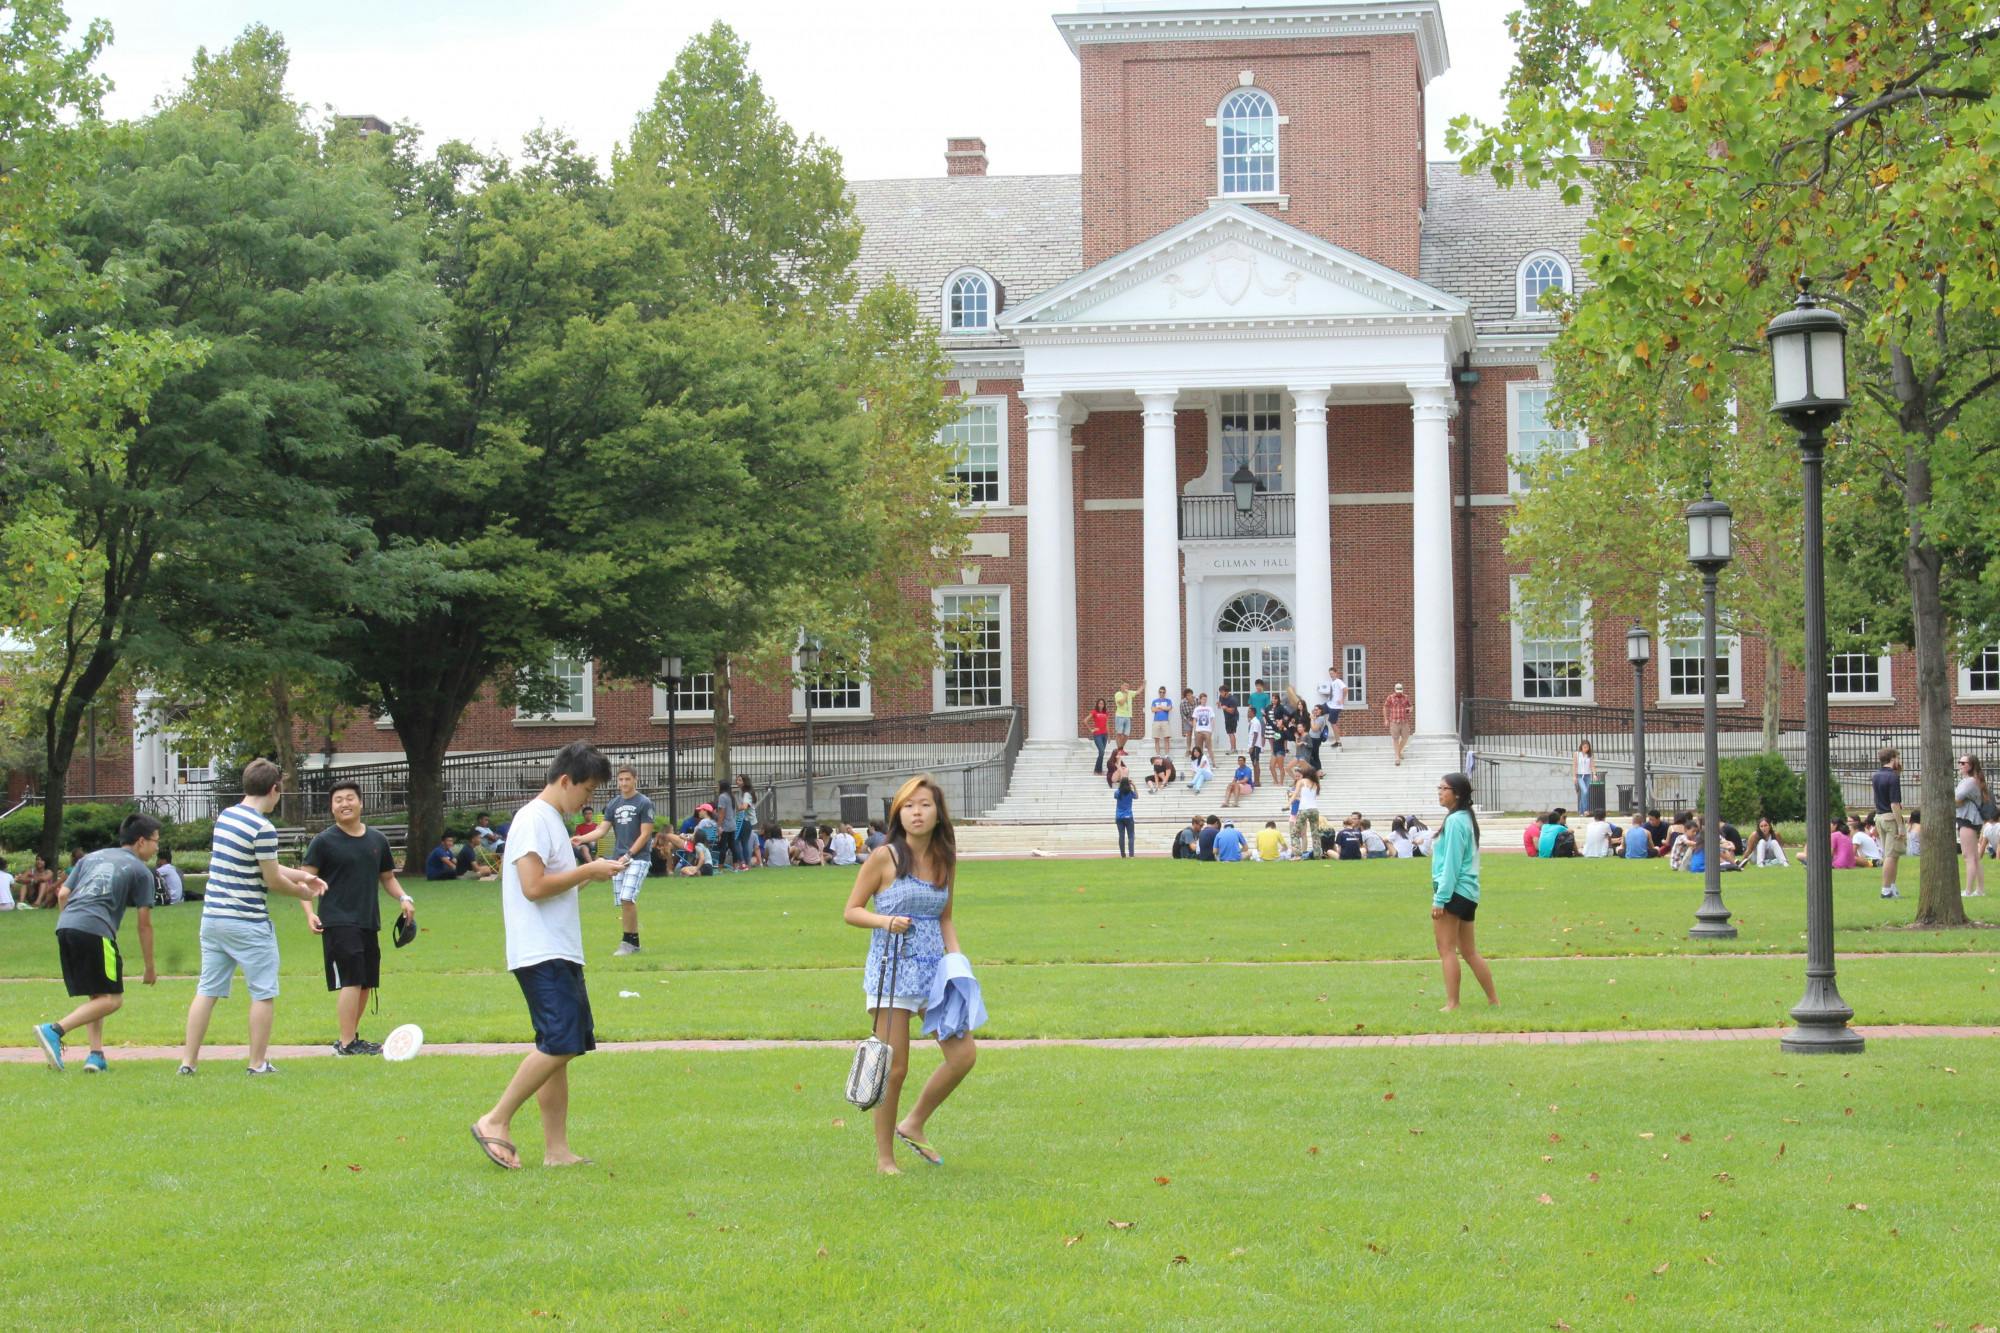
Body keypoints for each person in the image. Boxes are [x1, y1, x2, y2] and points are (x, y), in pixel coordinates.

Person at [470, 742, 624, 1170]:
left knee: (561, 1046)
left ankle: (556, 1151)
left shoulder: (552, 821)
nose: (588, 801)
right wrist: (588, 870)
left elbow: (556, 884)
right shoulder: (534, 818)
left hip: (557, 947)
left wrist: (594, 873)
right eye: (587, 790)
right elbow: (533, 887)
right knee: (561, 1041)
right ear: (564, 780)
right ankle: (495, 1120)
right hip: (541, 951)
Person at [841, 774, 976, 1173]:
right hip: (892, 972)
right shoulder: (884, 857)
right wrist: (884, 921)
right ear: (899, 812)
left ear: (938, 814)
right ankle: (885, 1159)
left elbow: (946, 918)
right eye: (909, 805)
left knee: (963, 1056)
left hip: (935, 972)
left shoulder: (945, 858)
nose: (917, 812)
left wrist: (958, 965)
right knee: (894, 1067)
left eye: (925, 805)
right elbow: (851, 911)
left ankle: (913, 1122)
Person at [180, 758, 328, 1076]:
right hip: (247, 921)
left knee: (207, 990)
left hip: (213, 919)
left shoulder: (226, 817)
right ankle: (257, 1063)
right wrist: (304, 893)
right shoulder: (263, 828)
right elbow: (272, 880)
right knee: (263, 992)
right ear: (274, 789)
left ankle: (188, 1063)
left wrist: (304, 876)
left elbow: (264, 866)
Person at [31, 814, 162, 1072]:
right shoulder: (141, 872)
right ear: (140, 841)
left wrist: (73, 922)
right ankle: (54, 1030)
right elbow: (144, 923)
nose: (157, 847)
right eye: (156, 841)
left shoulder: (91, 858)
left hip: (66, 926)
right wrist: (149, 966)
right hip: (95, 931)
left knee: (97, 994)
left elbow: (64, 894)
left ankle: (96, 1056)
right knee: (113, 1000)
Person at [301, 780, 414, 1056]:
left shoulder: (377, 840)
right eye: (338, 800)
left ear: (361, 803)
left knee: (365, 982)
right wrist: (309, 912)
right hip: (337, 919)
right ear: (331, 807)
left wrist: (403, 898)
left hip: (367, 920)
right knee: (351, 980)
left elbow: (387, 878)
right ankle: (347, 1043)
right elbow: (304, 880)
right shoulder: (324, 841)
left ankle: (350, 1039)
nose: (344, 804)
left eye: (350, 798)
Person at [1431, 772, 1498, 1012]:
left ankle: (1453, 1003)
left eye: (1444, 788)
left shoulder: (1456, 821)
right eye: (1438, 788)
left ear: (1457, 794)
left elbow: (1451, 864)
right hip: (1468, 892)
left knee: (1446, 949)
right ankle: (1493, 1001)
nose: (1439, 792)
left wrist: (1440, 899)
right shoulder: (1465, 819)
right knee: (1469, 951)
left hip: (1454, 892)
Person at [588, 766, 658, 957]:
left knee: (627, 897)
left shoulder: (644, 803)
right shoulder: (613, 804)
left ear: (635, 779)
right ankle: (633, 942)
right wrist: (581, 839)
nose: (624, 783)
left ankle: (627, 943)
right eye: (621, 780)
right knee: (623, 901)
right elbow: (601, 830)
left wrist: (629, 854)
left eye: (628, 779)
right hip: (619, 857)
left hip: (638, 858)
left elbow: (646, 834)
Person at [1874, 747, 1906, 899]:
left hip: (1879, 817)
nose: (1899, 761)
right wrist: (1900, 825)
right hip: (1890, 819)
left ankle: (1892, 886)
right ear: (1893, 759)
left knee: (1893, 854)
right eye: (1897, 758)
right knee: (1891, 855)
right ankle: (1886, 889)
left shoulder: (1876, 776)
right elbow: (1894, 803)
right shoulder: (1893, 777)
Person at [1956, 754, 1988, 897]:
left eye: (1963, 763)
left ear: (1971, 765)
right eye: (1960, 762)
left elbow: (1956, 798)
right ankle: (1980, 889)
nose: (1960, 765)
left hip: (1968, 819)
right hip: (1973, 819)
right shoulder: (1973, 780)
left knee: (1968, 856)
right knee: (1974, 856)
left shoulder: (1969, 782)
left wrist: (1959, 801)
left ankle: (1968, 890)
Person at [1290, 767, 1323, 859]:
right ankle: (1317, 855)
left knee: (1294, 832)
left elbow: (1295, 793)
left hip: (1304, 809)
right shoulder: (1316, 783)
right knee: (1315, 833)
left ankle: (1297, 854)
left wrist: (1288, 803)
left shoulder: (1302, 781)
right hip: (1314, 809)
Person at [1384, 683, 1414, 766]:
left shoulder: (1406, 697)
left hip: (1404, 721)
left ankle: (1399, 751)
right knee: (1395, 739)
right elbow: (1385, 707)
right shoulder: (1390, 697)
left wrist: (1410, 709)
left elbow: (1411, 706)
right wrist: (1386, 719)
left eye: (1400, 691)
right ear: (1395, 690)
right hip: (1394, 721)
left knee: (1406, 737)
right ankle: (1397, 757)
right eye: (1397, 691)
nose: (1399, 693)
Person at [733, 775, 759, 871]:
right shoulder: (743, 793)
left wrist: (737, 809)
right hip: (746, 821)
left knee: (736, 840)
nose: (737, 781)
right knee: (744, 842)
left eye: (740, 780)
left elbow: (744, 806)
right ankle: (746, 864)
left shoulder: (746, 794)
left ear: (745, 782)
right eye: (737, 780)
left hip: (746, 820)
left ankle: (743, 863)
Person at [1325, 668, 1348, 749]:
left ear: (1336, 673)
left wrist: (1342, 699)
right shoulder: (1332, 682)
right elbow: (1334, 693)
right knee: (1318, 709)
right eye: (1330, 673)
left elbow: (1345, 689)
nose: (1331, 675)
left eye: (1332, 673)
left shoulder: (1338, 681)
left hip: (1336, 707)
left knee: (1333, 723)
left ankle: (1338, 741)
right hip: (1330, 704)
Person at [1086, 698, 1111, 774]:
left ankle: (1099, 770)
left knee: (1101, 753)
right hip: (1097, 735)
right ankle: (1097, 770)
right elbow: (1085, 720)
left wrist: (1109, 735)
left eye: (1102, 704)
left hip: (1105, 735)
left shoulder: (1106, 713)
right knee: (1102, 751)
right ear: (1097, 704)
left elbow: (1107, 724)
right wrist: (1091, 730)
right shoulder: (1094, 712)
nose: (1101, 705)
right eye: (1100, 703)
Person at [1149, 687, 1175, 757]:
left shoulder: (1168, 700)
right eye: (1160, 692)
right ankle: (1158, 754)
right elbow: (1153, 710)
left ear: (1165, 693)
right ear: (1158, 692)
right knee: (1156, 738)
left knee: (1166, 738)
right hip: (1156, 721)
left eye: (1163, 692)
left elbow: (1169, 708)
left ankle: (1166, 755)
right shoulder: (1155, 701)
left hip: (1165, 721)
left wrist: (1159, 707)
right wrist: (1163, 708)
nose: (1162, 693)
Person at [1573, 740, 1595, 814]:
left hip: (1587, 776)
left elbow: (1592, 765)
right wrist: (1574, 776)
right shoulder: (1576, 754)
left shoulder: (1590, 755)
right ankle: (1586, 810)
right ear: (1581, 747)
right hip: (1579, 776)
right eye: (1584, 747)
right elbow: (1575, 765)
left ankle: (1581, 811)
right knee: (1585, 791)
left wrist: (1594, 774)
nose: (1586, 749)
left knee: (1584, 793)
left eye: (1587, 747)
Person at [1245, 708, 1264, 786]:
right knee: (1254, 763)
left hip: (1255, 746)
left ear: (1253, 713)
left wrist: (1252, 746)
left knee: (1256, 763)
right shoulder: (1252, 722)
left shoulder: (1255, 722)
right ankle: (1256, 780)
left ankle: (1257, 781)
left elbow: (1255, 734)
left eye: (1249, 712)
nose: (1247, 713)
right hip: (1252, 745)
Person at [1219, 686, 1240, 754]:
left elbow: (1232, 711)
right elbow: (1220, 705)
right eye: (1220, 692)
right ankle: (1233, 748)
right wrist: (1219, 705)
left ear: (1226, 692)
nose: (1221, 693)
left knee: (1231, 733)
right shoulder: (1221, 697)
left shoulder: (1232, 699)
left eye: (1222, 692)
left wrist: (1225, 708)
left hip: (1233, 717)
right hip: (1227, 717)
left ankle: (1233, 749)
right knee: (1229, 733)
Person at [1179, 687, 1197, 754]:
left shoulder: (1197, 700)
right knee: (1189, 734)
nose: (1189, 696)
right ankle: (1188, 749)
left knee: (1197, 734)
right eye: (1187, 695)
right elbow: (1182, 714)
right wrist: (1189, 722)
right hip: (1187, 719)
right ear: (1185, 696)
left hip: (1196, 719)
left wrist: (1195, 721)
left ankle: (1197, 749)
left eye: (1190, 694)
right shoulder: (1183, 702)